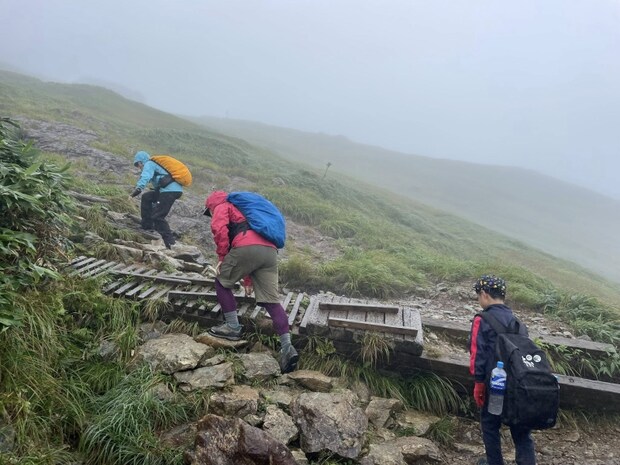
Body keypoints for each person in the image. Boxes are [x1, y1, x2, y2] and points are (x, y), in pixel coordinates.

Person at [203, 190, 299, 374]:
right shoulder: (247, 212)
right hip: (270, 252)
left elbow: (219, 229)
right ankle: (287, 347)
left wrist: (222, 257)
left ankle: (232, 326)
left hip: (247, 246)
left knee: (222, 282)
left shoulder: (222, 205)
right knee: (272, 301)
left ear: (211, 205)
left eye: (209, 212)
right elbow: (252, 251)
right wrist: (248, 281)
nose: (210, 214)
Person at [469, 275, 537, 465]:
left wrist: (478, 383)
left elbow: (477, 354)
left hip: (495, 385)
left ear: (484, 294)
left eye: (478, 295)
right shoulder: (518, 323)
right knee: (521, 429)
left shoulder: (482, 319)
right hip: (519, 385)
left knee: (490, 425)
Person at [130, 151, 182, 249]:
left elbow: (145, 177)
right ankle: (147, 225)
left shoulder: (149, 164)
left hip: (169, 191)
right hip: (168, 190)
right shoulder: (155, 165)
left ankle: (171, 243)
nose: (138, 167)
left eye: (137, 164)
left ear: (141, 161)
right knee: (147, 197)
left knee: (158, 216)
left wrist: (138, 189)